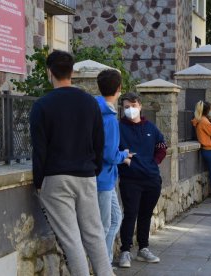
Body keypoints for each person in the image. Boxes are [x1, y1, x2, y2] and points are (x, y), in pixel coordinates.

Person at [30, 50, 112, 276]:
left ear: (49, 72)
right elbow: (99, 142)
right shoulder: (90, 102)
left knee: (71, 239)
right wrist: (92, 169)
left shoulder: (42, 105)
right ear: (72, 72)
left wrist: (39, 181)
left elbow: (40, 149)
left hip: (56, 178)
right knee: (94, 234)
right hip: (86, 176)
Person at [117, 92, 167, 268]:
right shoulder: (118, 127)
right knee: (130, 214)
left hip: (152, 179)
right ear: (122, 109)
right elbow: (111, 151)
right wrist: (124, 162)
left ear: (140, 106)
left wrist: (154, 162)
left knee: (146, 214)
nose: (130, 109)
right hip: (130, 179)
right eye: (126, 107)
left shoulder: (151, 128)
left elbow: (162, 146)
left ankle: (143, 248)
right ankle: (125, 251)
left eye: (133, 106)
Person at [95, 69, 133, 268]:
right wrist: (123, 155)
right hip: (103, 179)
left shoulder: (94, 108)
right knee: (103, 225)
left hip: (103, 177)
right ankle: (102, 265)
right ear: (119, 88)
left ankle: (106, 262)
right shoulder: (109, 118)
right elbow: (109, 154)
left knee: (115, 219)